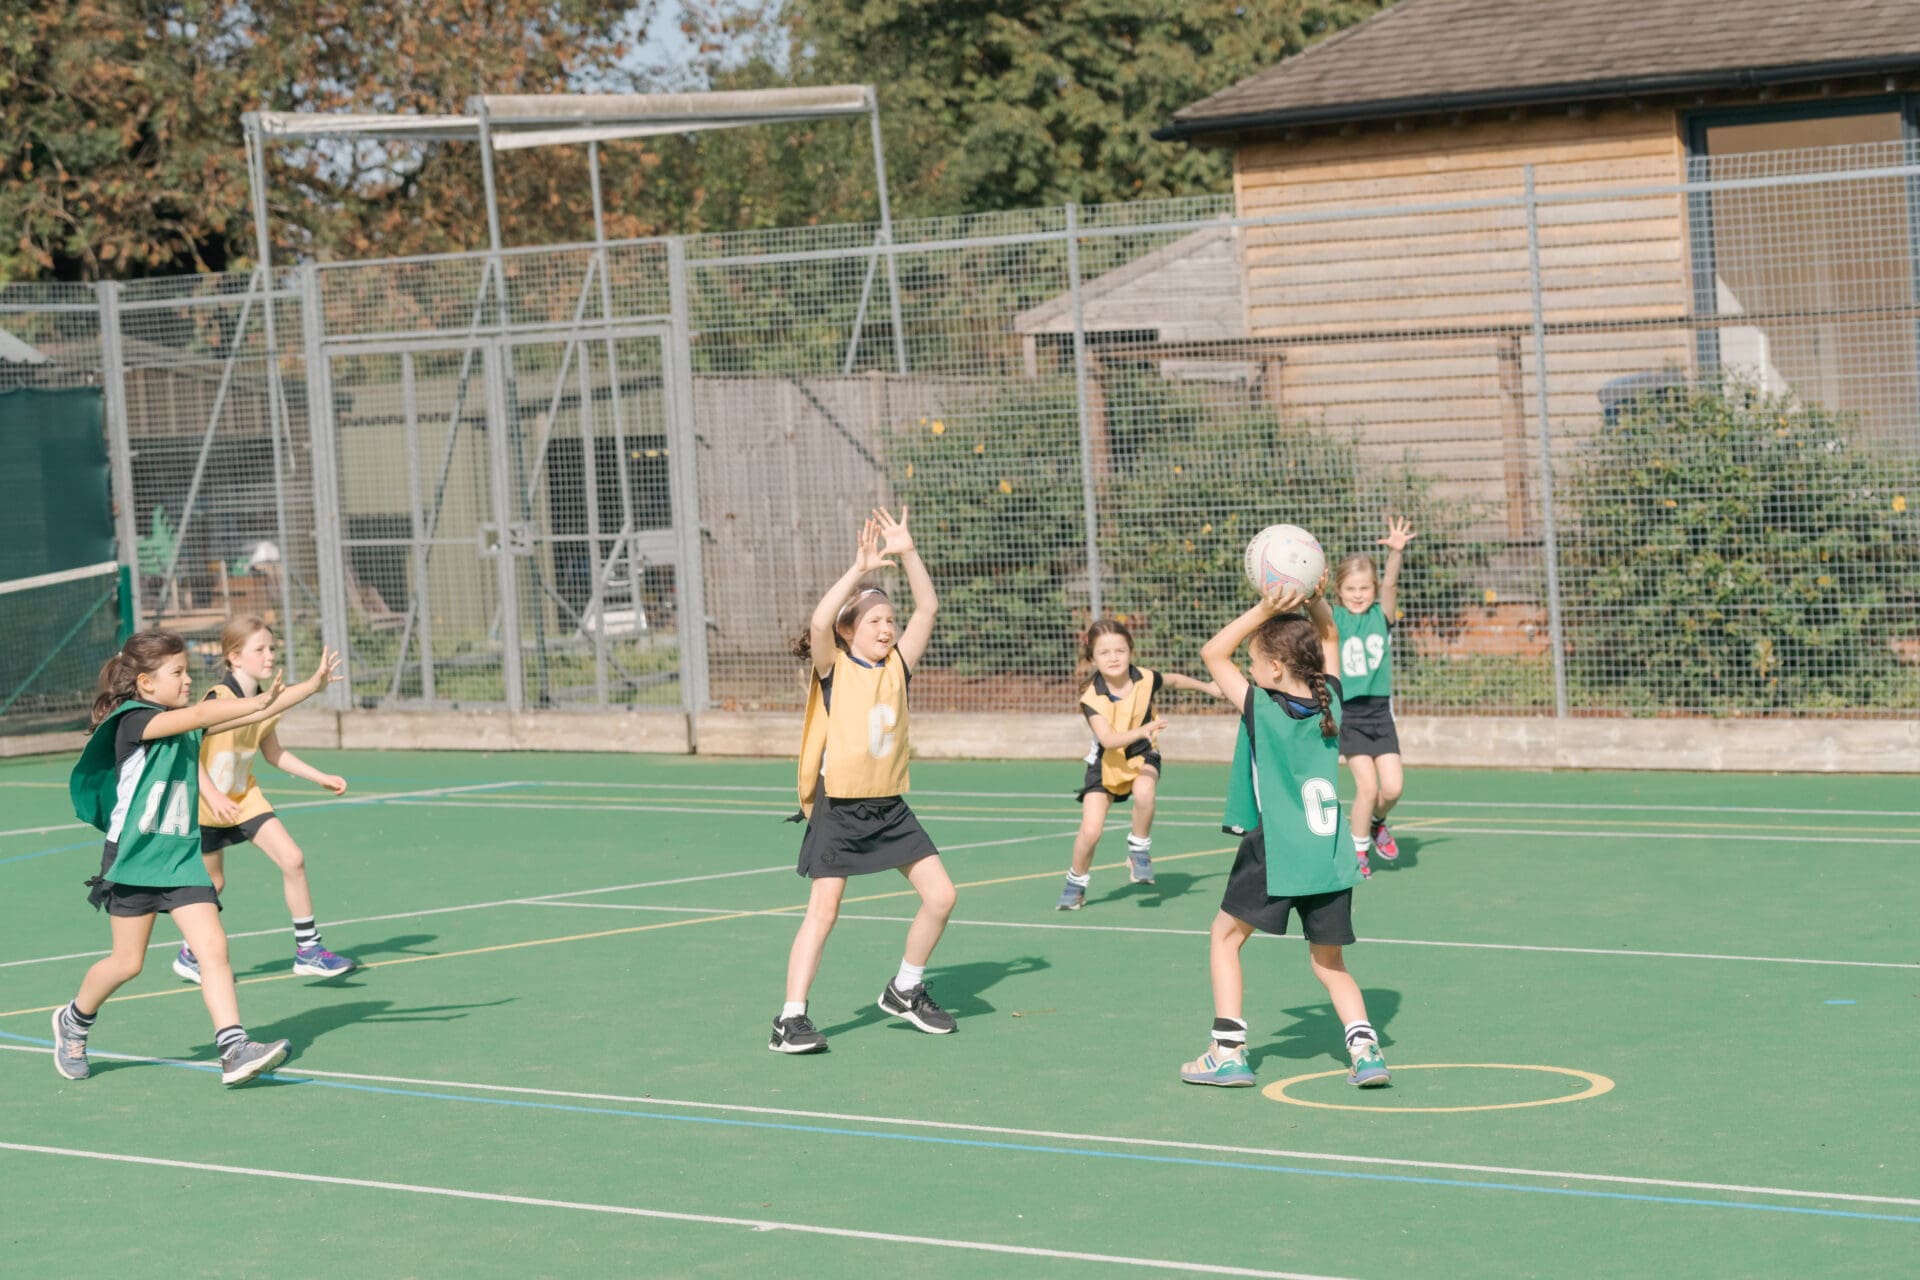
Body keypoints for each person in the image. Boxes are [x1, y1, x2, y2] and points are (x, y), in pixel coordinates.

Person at [52, 631, 341, 1086]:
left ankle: (232, 1047)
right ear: (145, 683)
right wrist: (261, 702)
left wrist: (310, 687)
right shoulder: (135, 721)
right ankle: (74, 1020)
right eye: (178, 673)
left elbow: (257, 710)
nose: (189, 680)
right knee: (127, 963)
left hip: (180, 857)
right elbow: (206, 712)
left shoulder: (181, 724)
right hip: (134, 858)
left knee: (213, 948)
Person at [1179, 581, 1390, 1090]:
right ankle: (1366, 1052)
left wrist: (1265, 608)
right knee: (1330, 963)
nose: (1250, 669)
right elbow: (1331, 635)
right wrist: (1315, 601)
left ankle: (1227, 1052)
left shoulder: (1263, 707)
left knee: (1223, 939)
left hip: (1276, 851)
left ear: (1275, 669)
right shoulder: (1332, 703)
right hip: (1330, 859)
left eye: (1255, 662)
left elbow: (1212, 652)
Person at [770, 507, 959, 1054]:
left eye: (889, 620)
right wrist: (858, 571)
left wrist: (908, 551)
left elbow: (928, 606)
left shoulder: (898, 667)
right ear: (848, 632)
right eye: (874, 621)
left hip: (889, 808)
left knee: (942, 896)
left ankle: (905, 986)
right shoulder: (835, 668)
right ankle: (790, 1019)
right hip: (842, 809)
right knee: (823, 912)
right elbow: (817, 624)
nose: (887, 627)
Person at [173, 616, 354, 984]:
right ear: (234, 657)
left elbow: (273, 753)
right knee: (214, 885)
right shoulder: (217, 700)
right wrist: (211, 796)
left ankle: (309, 950)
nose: (270, 655)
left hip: (245, 799)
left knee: (293, 858)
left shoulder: (264, 701)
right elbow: (187, 754)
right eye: (260, 649)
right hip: (207, 806)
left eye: (272, 647)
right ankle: (190, 954)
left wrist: (319, 777)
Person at [1054, 619, 1217, 909]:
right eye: (1104, 653)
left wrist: (1210, 688)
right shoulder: (1092, 698)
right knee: (1090, 832)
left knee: (1144, 791)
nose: (1113, 657)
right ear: (1092, 658)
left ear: (1131, 651)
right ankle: (1076, 881)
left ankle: (1139, 849)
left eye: (1120, 650)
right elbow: (1107, 740)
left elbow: (1175, 680)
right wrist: (1140, 731)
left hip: (1143, 754)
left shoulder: (1145, 678)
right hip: (1106, 764)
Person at [1332, 515, 1417, 876]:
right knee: (1366, 787)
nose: (1358, 595)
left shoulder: (1381, 617)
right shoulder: (1333, 618)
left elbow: (1392, 583)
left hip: (1380, 715)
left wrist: (1396, 553)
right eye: (1351, 589)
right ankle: (1358, 852)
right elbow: (1311, 603)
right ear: (1338, 591)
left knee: (1393, 788)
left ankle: (1378, 823)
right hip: (1349, 715)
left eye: (1364, 588)